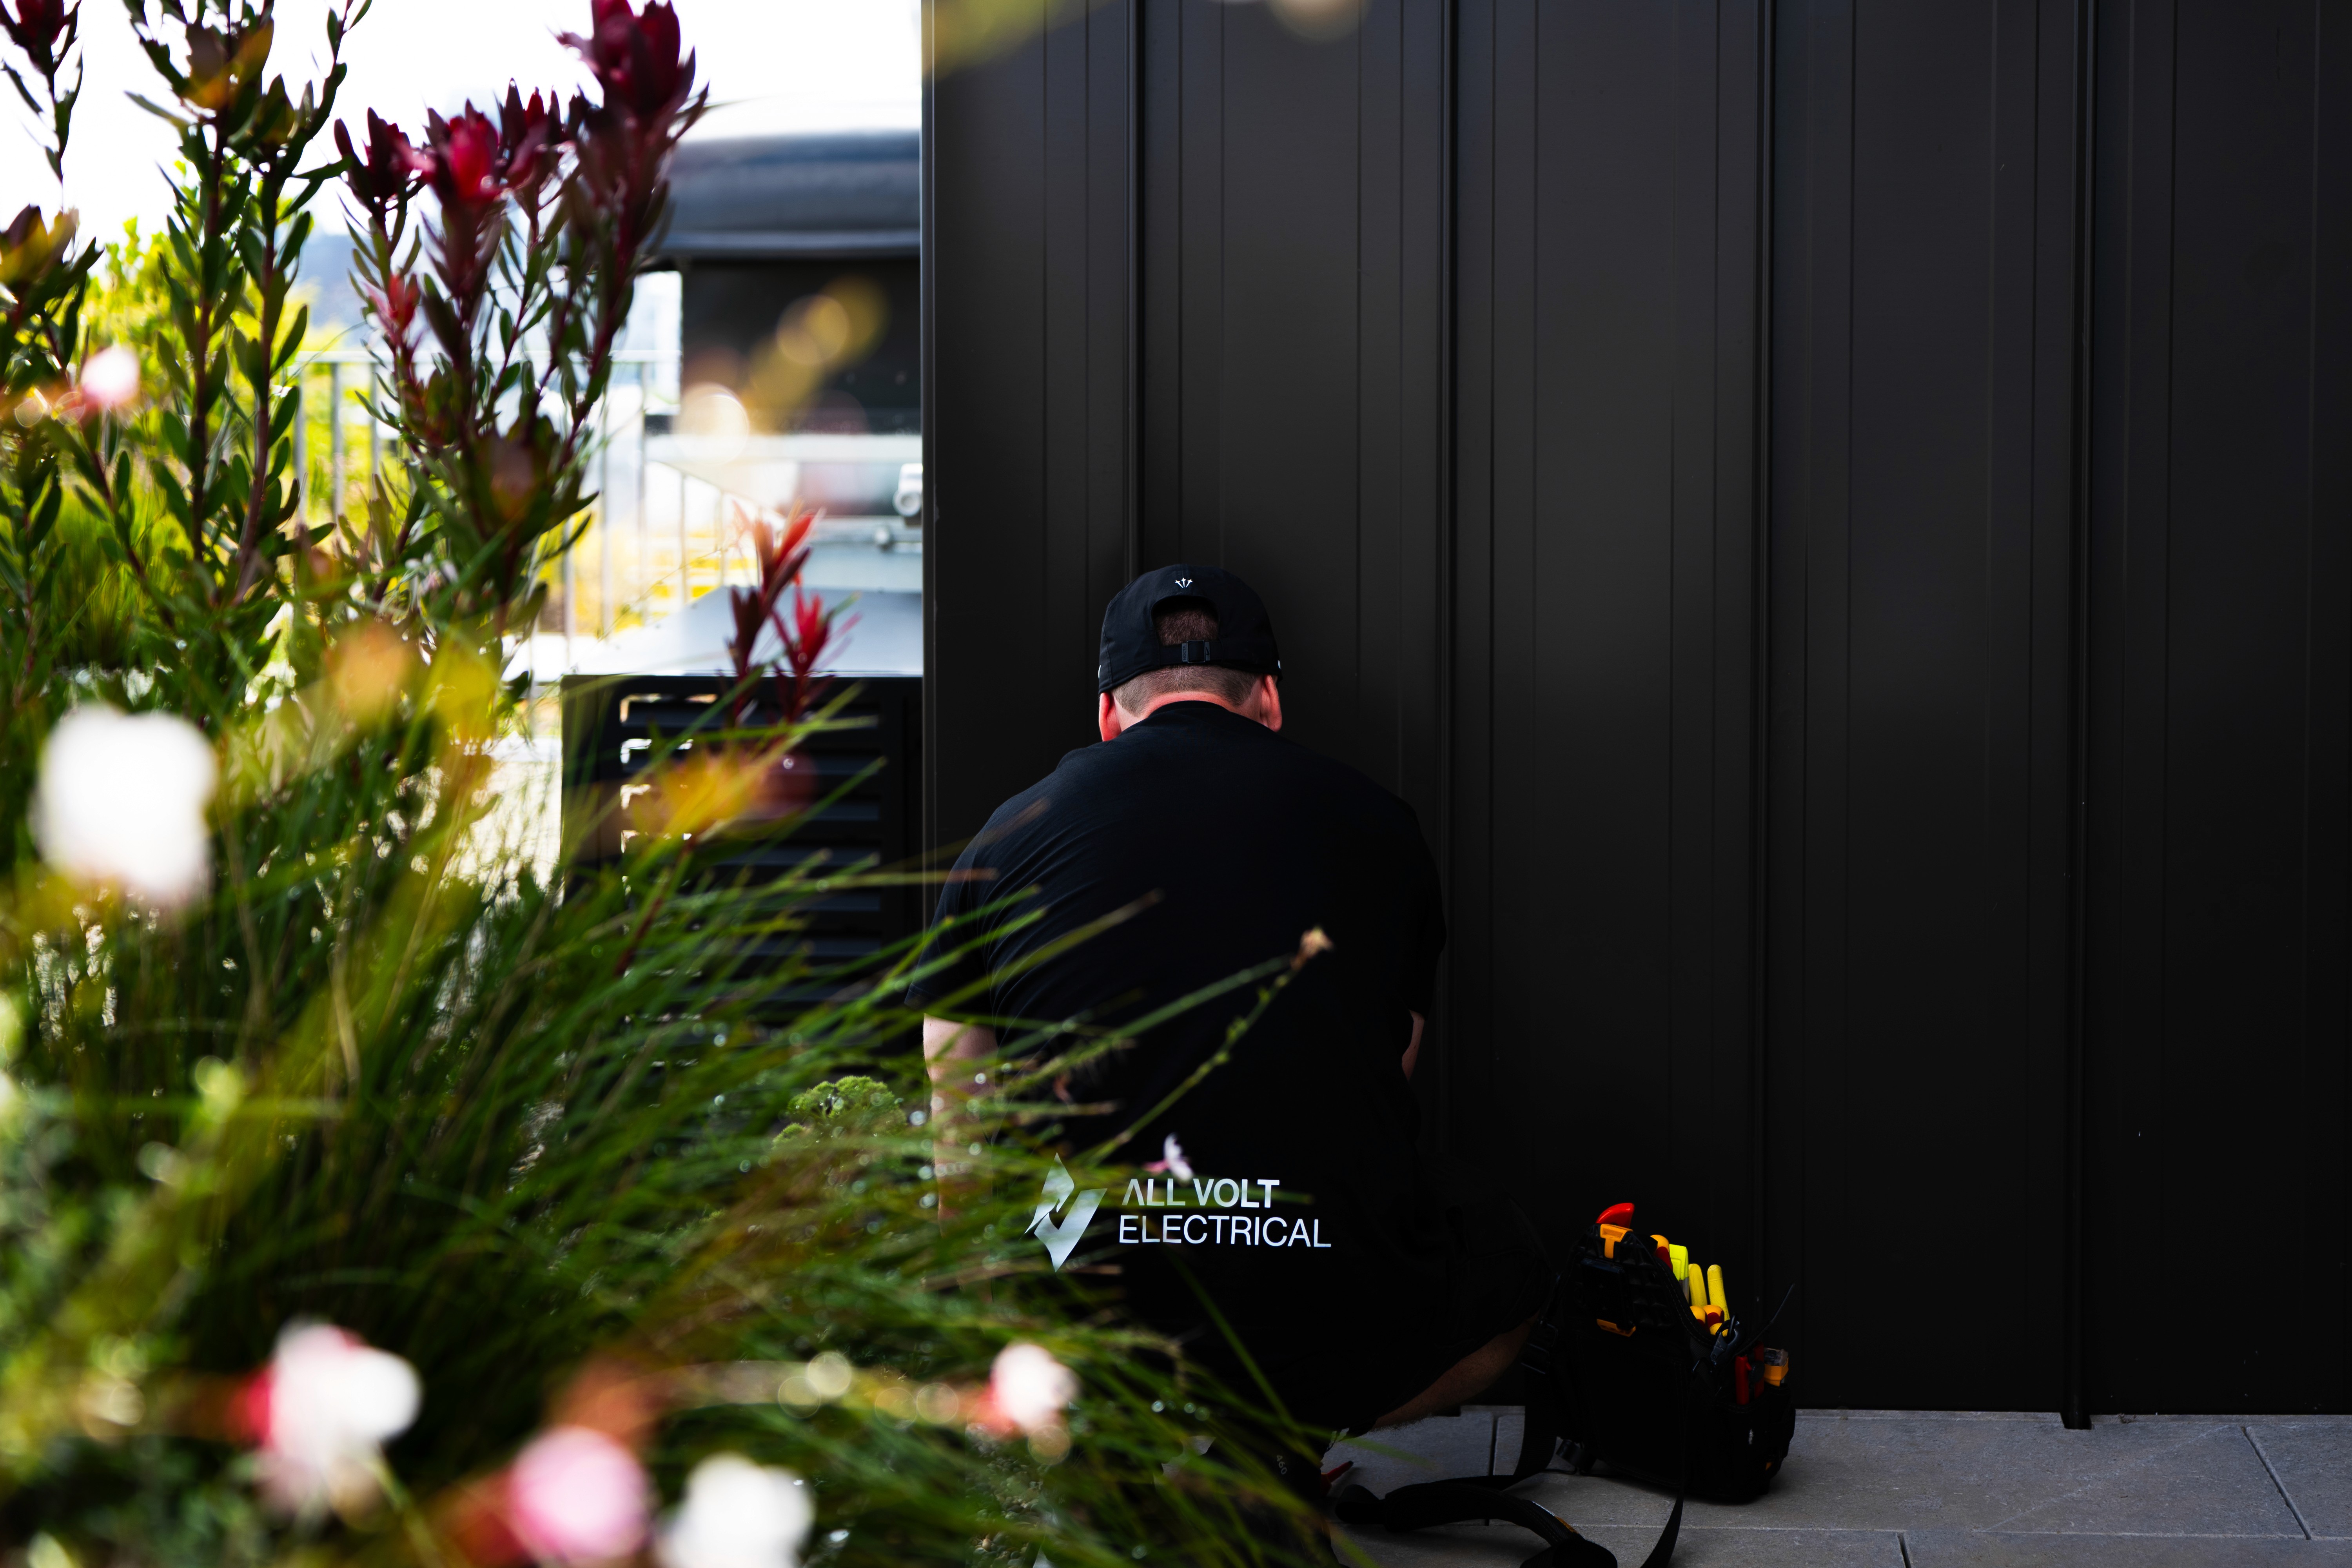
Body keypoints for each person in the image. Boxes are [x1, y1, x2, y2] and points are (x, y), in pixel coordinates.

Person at [910, 564, 1548, 1451]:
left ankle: (1107, 1429)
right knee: (1507, 1268)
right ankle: (1277, 1438)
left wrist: (980, 1303)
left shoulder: (1013, 829)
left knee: (1020, 1199)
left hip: (1092, 1287)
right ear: (1270, 699)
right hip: (1318, 1295)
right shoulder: (1383, 826)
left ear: (1108, 713)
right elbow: (1382, 1082)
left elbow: (957, 1094)